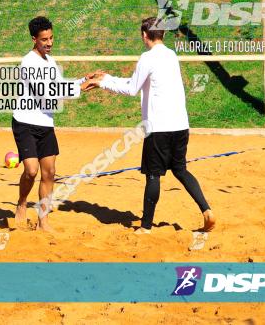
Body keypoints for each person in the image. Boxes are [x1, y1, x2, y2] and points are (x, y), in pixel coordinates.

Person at [83, 17, 215, 234]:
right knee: (181, 170)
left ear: (145, 35)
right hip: (180, 125)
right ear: (162, 34)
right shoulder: (171, 55)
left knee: (153, 175)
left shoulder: (147, 57)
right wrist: (106, 78)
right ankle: (206, 210)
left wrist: (101, 83)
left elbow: (132, 89)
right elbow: (136, 82)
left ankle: (145, 227)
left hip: (158, 128)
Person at [11, 16, 72, 232]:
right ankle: (21, 203)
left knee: (50, 172)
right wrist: (80, 89)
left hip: (45, 123)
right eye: (44, 39)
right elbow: (47, 93)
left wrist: (84, 81)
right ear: (34, 39)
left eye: (52, 37)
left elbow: (60, 85)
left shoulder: (51, 62)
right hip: (25, 122)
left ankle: (43, 221)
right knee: (31, 171)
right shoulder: (29, 62)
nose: (49, 43)